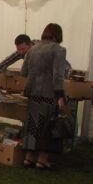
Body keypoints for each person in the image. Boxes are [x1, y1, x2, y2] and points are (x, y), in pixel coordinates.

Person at [21, 23, 68, 169]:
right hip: (48, 93)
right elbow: (58, 76)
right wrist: (60, 96)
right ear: (58, 35)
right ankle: (42, 159)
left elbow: (24, 71)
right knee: (47, 126)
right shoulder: (59, 50)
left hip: (32, 92)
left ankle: (28, 158)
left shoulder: (33, 49)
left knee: (33, 126)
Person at [0, 33, 73, 77]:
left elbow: (66, 67)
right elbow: (5, 63)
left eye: (23, 49)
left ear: (30, 45)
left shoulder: (44, 49)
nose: (21, 52)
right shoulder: (22, 51)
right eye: (18, 49)